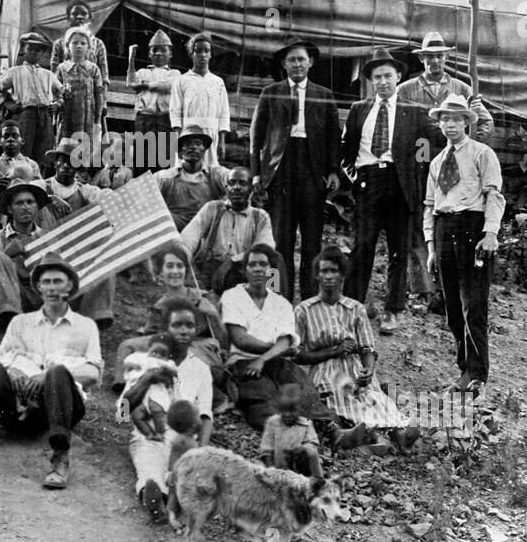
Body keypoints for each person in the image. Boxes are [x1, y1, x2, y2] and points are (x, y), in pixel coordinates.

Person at [0, 252, 101, 490]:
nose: (52, 288)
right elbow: (2, 363)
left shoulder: (85, 327)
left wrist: (45, 377)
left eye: (58, 282)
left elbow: (93, 374)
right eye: (46, 282)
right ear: (38, 288)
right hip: (16, 403)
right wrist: (13, 373)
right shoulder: (21, 323)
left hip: (58, 408)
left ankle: (60, 457)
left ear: (70, 286)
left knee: (57, 372)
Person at [398, 32, 494, 313]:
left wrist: (476, 142)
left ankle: (446, 290)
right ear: (422, 59)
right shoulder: (407, 89)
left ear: (445, 58)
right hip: (421, 161)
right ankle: (422, 289)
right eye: (429, 56)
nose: (435, 61)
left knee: (451, 221)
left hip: (456, 164)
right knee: (421, 219)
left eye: (439, 56)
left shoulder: (462, 88)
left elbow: (485, 123)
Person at [339, 48, 433, 335]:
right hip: (368, 182)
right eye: (377, 77)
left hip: (400, 185)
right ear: (371, 80)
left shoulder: (414, 112)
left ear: (398, 77)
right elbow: (346, 149)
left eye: (387, 76)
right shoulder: (359, 110)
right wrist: (354, 176)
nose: (382, 82)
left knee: (398, 250)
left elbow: (426, 149)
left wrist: (416, 179)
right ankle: (353, 307)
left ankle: (393, 310)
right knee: (362, 246)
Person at [249, 35, 343, 301]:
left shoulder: (324, 95)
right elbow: (257, 137)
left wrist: (334, 170)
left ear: (310, 62)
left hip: (312, 170)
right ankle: (279, 297)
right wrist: (257, 172)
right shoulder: (271, 92)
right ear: (284, 64)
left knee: (312, 239)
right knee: (281, 239)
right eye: (292, 60)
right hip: (281, 170)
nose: (297, 64)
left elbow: (333, 137)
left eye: (301, 59)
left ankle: (311, 298)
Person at [294, 246, 414, 451]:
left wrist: (369, 369)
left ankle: (399, 434)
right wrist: (333, 351)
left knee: (372, 396)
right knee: (343, 397)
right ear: (317, 275)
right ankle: (373, 437)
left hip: (353, 367)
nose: (329, 276)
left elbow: (367, 347)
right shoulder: (304, 310)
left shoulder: (355, 308)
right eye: (324, 271)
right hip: (324, 368)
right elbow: (297, 355)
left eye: (334, 271)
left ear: (342, 275)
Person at [423, 94, 505, 394]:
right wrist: (431, 247)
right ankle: (464, 371)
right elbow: (430, 204)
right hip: (445, 230)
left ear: (467, 122)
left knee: (473, 306)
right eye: (445, 119)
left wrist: (490, 233)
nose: (450, 124)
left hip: (473, 230)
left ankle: (477, 376)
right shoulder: (436, 162)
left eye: (456, 119)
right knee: (453, 310)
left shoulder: (482, 154)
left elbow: (494, 195)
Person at [0, 178, 116, 328]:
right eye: (19, 203)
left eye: (30, 202)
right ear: (10, 209)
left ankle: (90, 326)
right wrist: (6, 254)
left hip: (46, 299)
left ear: (37, 207)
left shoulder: (48, 237)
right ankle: (13, 323)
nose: (26, 207)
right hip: (16, 299)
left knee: (100, 265)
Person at [122, 297, 214, 522]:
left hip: (184, 441)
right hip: (150, 435)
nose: (183, 331)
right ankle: (153, 496)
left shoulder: (201, 369)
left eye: (189, 325)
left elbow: (205, 414)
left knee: (186, 474)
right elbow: (123, 410)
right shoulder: (145, 362)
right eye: (177, 325)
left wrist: (201, 448)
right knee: (148, 466)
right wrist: (148, 378)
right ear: (166, 329)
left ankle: (174, 488)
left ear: (197, 329)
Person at [220, 244, 321, 431]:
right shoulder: (232, 296)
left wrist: (264, 358)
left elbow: (285, 339)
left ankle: (331, 430)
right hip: (244, 361)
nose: (258, 269)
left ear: (271, 270)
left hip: (276, 362)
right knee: (261, 397)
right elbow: (240, 338)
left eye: (263, 264)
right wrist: (273, 351)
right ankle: (283, 434)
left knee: (302, 389)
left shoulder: (281, 303)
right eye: (252, 265)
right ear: (244, 269)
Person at [112, 244, 226, 391]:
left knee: (185, 358)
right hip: (169, 345)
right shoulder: (159, 307)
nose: (175, 271)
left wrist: (213, 315)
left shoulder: (203, 297)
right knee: (127, 345)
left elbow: (224, 343)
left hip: (198, 348)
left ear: (186, 271)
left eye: (180, 266)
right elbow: (151, 338)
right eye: (170, 266)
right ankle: (126, 388)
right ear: (160, 273)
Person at [180, 166, 277, 292]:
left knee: (274, 267)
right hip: (211, 274)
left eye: (242, 183)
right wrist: (184, 258)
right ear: (226, 188)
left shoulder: (260, 216)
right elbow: (189, 237)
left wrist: (232, 261)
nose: (236, 187)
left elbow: (265, 248)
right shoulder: (212, 208)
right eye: (232, 183)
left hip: (244, 274)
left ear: (251, 189)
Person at [0, 32, 62, 168]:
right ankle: (20, 179)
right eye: (30, 49)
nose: (34, 53)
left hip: (44, 116)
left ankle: (39, 182)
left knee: (44, 152)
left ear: (42, 54)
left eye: (38, 50)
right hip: (24, 115)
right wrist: (7, 103)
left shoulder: (48, 75)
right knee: (24, 150)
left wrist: (57, 104)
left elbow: (62, 92)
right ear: (24, 50)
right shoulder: (14, 72)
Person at [170, 32, 229, 168]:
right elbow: (175, 112)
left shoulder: (218, 82)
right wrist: (178, 141)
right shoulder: (181, 81)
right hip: (188, 134)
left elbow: (224, 113)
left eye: (206, 51)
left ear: (211, 54)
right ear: (191, 54)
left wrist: (222, 141)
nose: (202, 55)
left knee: (209, 171)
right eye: (198, 51)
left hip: (211, 133)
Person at [154, 125, 229, 232]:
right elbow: (145, 191)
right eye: (188, 143)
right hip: (176, 233)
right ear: (181, 151)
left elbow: (234, 178)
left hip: (207, 231)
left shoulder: (215, 174)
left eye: (198, 143)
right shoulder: (167, 177)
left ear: (204, 150)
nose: (193, 147)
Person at [126, 29, 180, 172]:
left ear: (170, 54)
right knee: (142, 158)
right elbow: (131, 83)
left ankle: (161, 190)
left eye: (163, 50)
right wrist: (131, 59)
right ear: (149, 54)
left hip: (164, 119)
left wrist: (146, 85)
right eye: (154, 50)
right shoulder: (143, 72)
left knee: (163, 159)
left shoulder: (174, 74)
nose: (158, 54)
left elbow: (167, 86)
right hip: (144, 119)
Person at [118, 335, 180, 438]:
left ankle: (159, 432)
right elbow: (127, 362)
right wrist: (134, 365)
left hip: (155, 392)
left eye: (163, 354)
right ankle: (125, 419)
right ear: (149, 348)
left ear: (169, 355)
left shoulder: (167, 363)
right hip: (137, 384)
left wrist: (165, 367)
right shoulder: (140, 357)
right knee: (129, 401)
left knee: (156, 411)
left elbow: (173, 370)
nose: (158, 356)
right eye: (154, 352)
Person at [54, 26, 105, 148]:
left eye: (83, 43)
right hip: (67, 115)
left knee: (87, 145)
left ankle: (84, 165)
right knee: (66, 145)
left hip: (88, 116)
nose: (79, 46)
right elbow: (56, 92)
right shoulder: (62, 68)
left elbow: (98, 94)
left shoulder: (93, 69)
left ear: (88, 47)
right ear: (68, 46)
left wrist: (98, 118)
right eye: (74, 43)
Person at [259, 383, 323, 479]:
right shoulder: (273, 422)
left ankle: (318, 481)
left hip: (298, 461)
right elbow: (266, 446)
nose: (288, 414)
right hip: (279, 462)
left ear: (299, 410)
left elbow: (312, 442)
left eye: (292, 410)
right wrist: (269, 465)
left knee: (312, 452)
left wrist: (302, 448)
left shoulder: (306, 423)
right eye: (284, 410)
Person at [49, 0, 109, 84]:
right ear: (68, 18)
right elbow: (54, 74)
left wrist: (103, 94)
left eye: (84, 14)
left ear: (89, 18)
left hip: (90, 91)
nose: (79, 17)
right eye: (75, 14)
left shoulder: (98, 44)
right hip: (66, 91)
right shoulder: (59, 44)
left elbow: (104, 73)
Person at [0, 121, 43, 192]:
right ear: (0, 142)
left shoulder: (32, 164)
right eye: (6, 136)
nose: (10, 139)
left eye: (15, 136)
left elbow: (40, 188)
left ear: (22, 140)